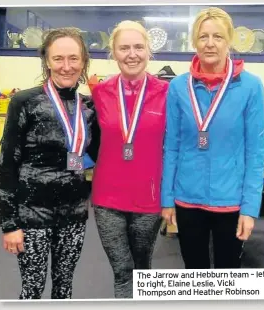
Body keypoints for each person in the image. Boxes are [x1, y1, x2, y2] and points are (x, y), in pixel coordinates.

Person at [161, 7, 264, 269]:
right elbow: (171, 146)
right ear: (194, 41)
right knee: (194, 272)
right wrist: (167, 199)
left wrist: (250, 208)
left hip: (230, 201)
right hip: (187, 198)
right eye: (203, 36)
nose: (210, 44)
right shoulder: (178, 87)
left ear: (229, 41)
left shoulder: (251, 86)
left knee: (227, 275)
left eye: (217, 37)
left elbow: (255, 153)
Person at [0, 27, 99, 299]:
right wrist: (9, 224)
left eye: (74, 58)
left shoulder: (89, 106)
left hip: (74, 214)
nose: (66, 66)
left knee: (64, 290)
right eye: (58, 59)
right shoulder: (25, 101)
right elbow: (8, 164)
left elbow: (98, 152)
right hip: (32, 214)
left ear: (84, 61)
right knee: (31, 291)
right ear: (46, 61)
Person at [90, 20, 169, 298]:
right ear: (113, 52)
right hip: (107, 198)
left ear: (149, 51)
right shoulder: (99, 94)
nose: (131, 54)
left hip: (148, 197)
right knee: (122, 270)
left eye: (138, 47)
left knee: (142, 268)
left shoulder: (167, 93)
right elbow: (87, 141)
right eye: (124, 48)